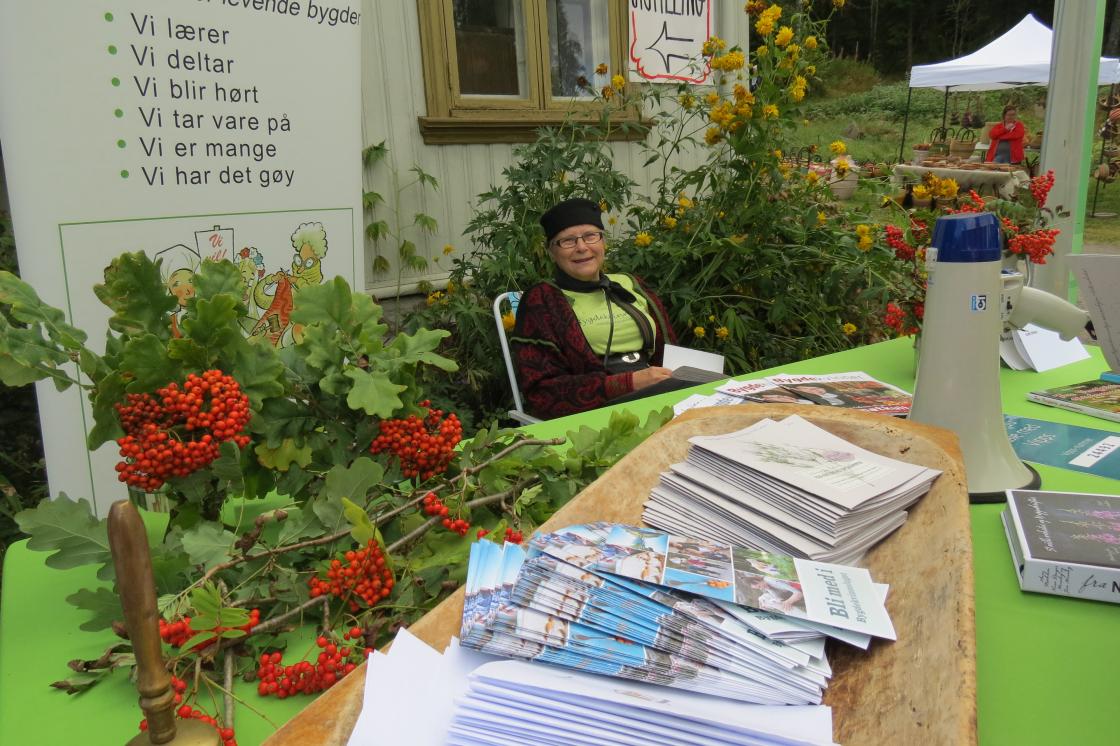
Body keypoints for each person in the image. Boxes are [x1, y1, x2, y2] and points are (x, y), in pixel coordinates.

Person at [511, 197, 691, 419]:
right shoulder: (541, 300)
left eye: (590, 236)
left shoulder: (629, 283)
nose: (581, 247)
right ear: (551, 252)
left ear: (603, 242)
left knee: (725, 387)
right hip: (597, 411)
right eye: (567, 241)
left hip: (659, 391)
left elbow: (669, 353)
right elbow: (542, 393)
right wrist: (628, 383)